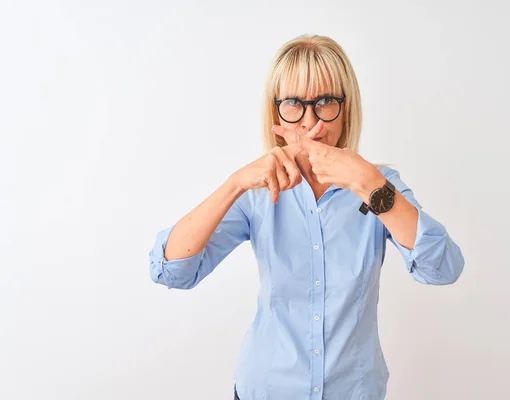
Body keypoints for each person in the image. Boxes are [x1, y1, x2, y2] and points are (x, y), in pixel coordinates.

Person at [148, 34, 465, 400]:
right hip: (266, 389)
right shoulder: (258, 191)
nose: (312, 122)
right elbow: (171, 270)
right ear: (276, 110)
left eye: (326, 101)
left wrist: (369, 185)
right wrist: (235, 184)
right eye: (295, 104)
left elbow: (442, 270)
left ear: (347, 108)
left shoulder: (379, 187)